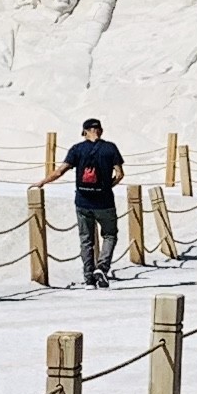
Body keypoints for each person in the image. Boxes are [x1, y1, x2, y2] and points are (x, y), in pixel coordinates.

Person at [64, 117, 126, 284]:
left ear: (84, 132)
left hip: (82, 201)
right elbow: (120, 174)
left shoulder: (77, 149)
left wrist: (42, 182)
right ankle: (102, 268)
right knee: (110, 235)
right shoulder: (110, 148)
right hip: (105, 202)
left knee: (86, 239)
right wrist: (107, 187)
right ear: (101, 130)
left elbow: (60, 171)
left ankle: (88, 278)